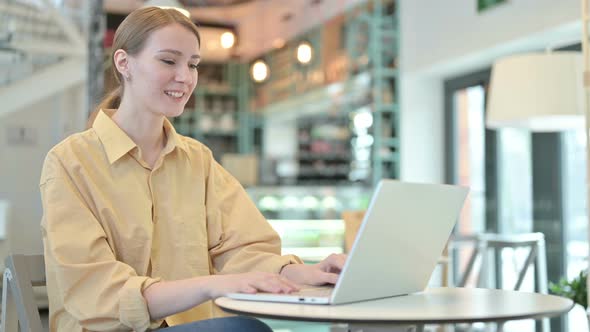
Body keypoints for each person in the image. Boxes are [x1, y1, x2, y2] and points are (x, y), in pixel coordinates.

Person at [39, 6, 346, 332]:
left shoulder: (197, 160)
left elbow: (243, 250)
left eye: (193, 64)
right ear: (123, 63)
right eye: (169, 61)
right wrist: (209, 285)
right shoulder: (69, 162)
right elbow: (94, 292)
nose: (185, 77)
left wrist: (304, 272)